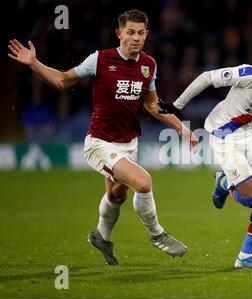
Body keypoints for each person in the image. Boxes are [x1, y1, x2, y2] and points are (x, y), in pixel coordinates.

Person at [8, 9, 197, 265]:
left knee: (118, 195)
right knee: (143, 182)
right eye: (130, 32)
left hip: (129, 143)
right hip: (99, 143)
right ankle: (158, 235)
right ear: (119, 33)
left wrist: (181, 128)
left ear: (147, 35)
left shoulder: (148, 65)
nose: (136, 38)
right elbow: (63, 80)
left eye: (141, 33)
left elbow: (152, 105)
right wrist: (34, 63)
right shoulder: (99, 60)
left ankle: (102, 237)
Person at [159, 29, 252, 269]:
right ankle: (223, 183)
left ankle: (244, 258)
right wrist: (176, 106)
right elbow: (207, 77)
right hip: (224, 133)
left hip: (249, 132)